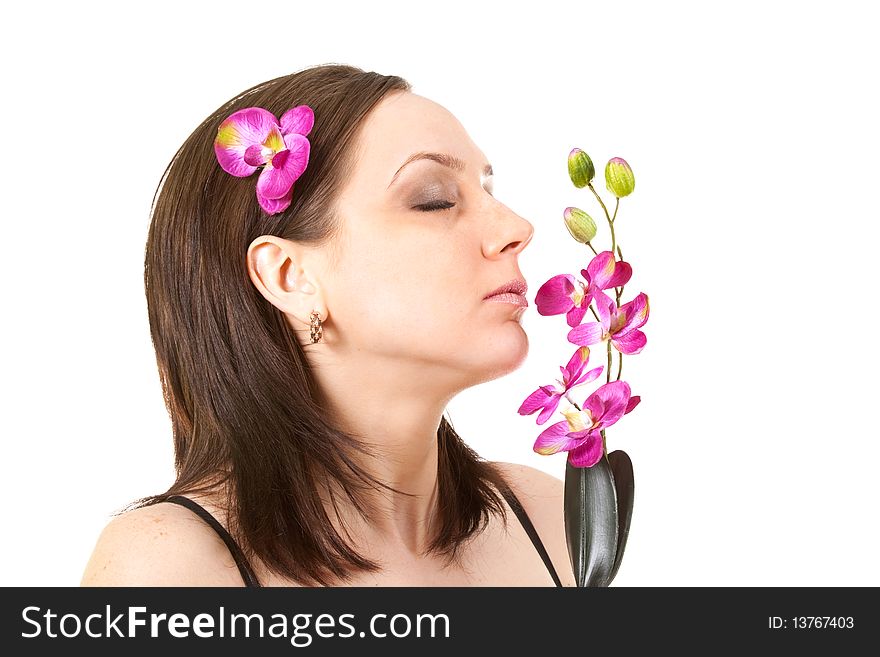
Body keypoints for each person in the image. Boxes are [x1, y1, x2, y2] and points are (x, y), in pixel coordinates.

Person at [81, 64, 575, 587]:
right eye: (435, 199)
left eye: (488, 190)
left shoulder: (548, 520)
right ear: (290, 277)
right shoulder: (169, 566)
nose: (517, 228)